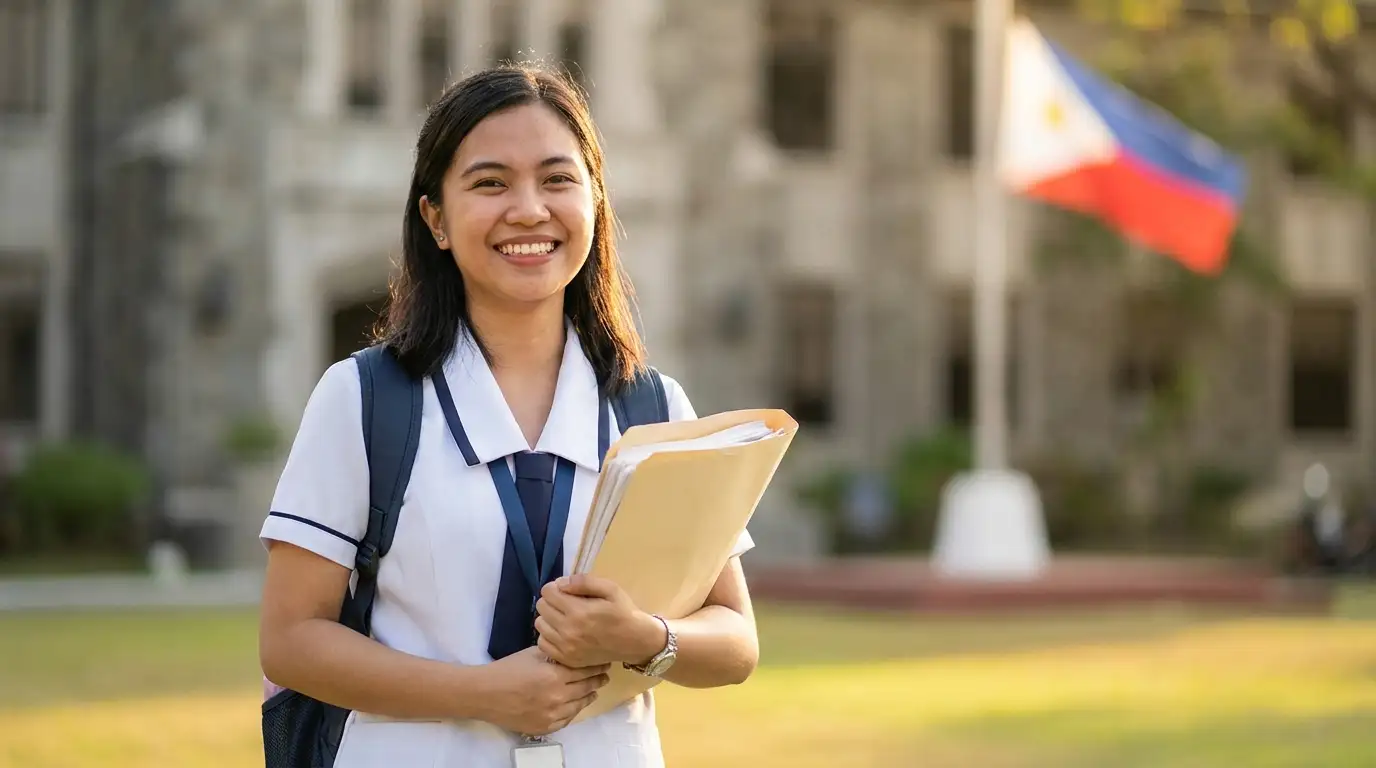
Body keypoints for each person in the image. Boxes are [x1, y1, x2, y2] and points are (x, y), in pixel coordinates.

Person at [257, 65, 760, 768]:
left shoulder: (653, 407)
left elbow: (735, 641)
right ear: (435, 217)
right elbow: (291, 641)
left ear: (594, 200)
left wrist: (643, 636)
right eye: (490, 183)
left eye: (558, 179)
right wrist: (483, 693)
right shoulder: (365, 399)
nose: (529, 210)